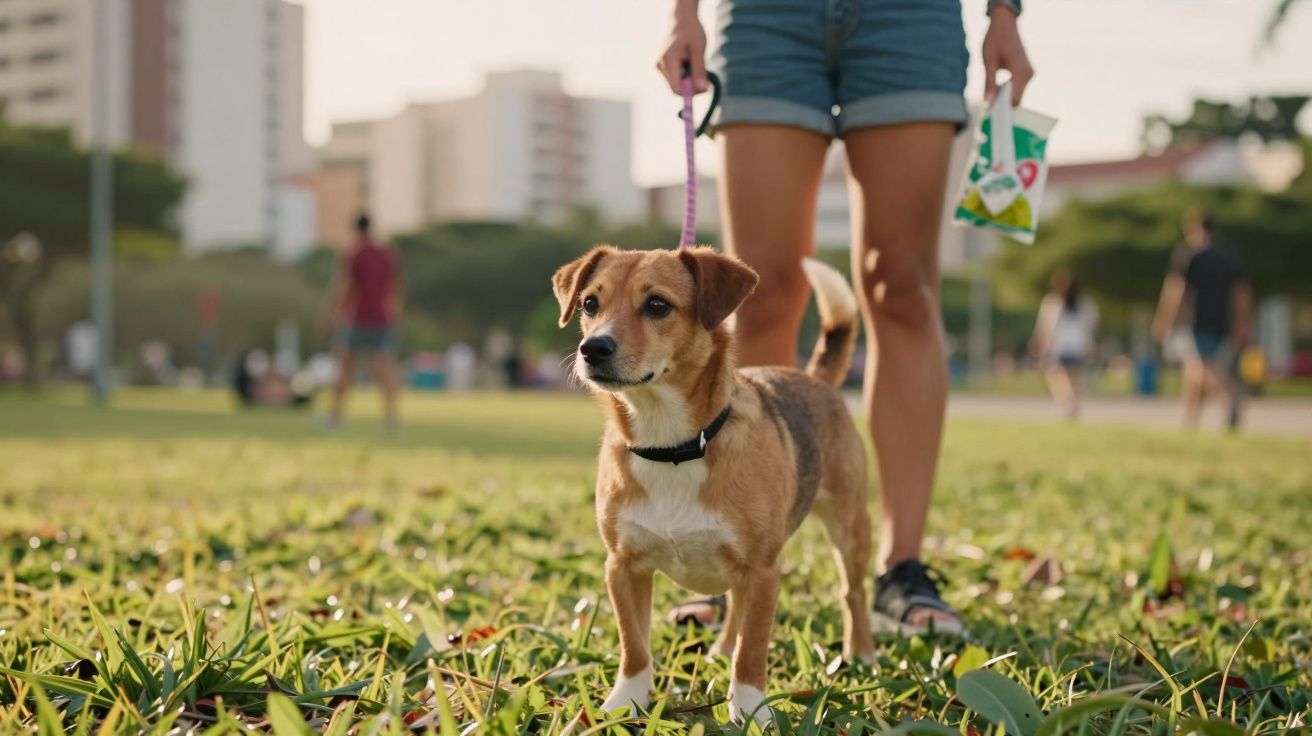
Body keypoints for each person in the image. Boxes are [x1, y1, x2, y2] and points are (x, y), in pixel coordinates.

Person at [659, 0, 1033, 633]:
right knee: (762, 288)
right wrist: (683, 12)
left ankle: (901, 568)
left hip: (911, 19)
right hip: (765, 19)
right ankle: (727, 555)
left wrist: (1004, 14)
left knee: (902, 285)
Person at [1152, 209, 1252, 430]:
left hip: (1196, 321)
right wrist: (1242, 323)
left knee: (1204, 368)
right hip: (1223, 322)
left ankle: (1232, 397)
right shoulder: (1228, 256)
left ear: (1193, 228)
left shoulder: (1188, 255)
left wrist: (1164, 321)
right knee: (1194, 369)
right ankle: (1191, 418)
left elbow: (1175, 291)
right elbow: (1242, 293)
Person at [321, 214, 403, 431]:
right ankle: (391, 420)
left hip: (356, 318)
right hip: (382, 319)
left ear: (355, 229)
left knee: (345, 369)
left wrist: (331, 314)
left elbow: (344, 286)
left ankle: (335, 418)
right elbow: (396, 287)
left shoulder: (353, 253)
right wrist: (395, 313)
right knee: (385, 370)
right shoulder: (387, 254)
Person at [1028, 271, 1098, 420]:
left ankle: (1068, 404)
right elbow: (1092, 327)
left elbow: (1045, 327)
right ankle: (1072, 404)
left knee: (1058, 377)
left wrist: (1038, 344)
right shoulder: (1085, 304)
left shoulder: (1053, 303)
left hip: (1060, 347)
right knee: (1072, 378)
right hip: (1078, 347)